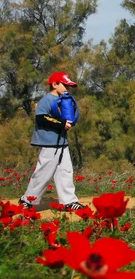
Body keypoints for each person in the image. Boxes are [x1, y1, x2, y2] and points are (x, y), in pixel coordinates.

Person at [19, 72, 85, 211]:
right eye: (65, 84)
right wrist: (61, 123)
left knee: (65, 171)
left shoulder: (64, 100)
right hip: (50, 143)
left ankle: (69, 201)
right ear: (55, 84)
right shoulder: (47, 100)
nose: (67, 87)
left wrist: (69, 121)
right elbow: (41, 118)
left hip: (62, 142)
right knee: (43, 172)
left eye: (68, 85)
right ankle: (27, 200)